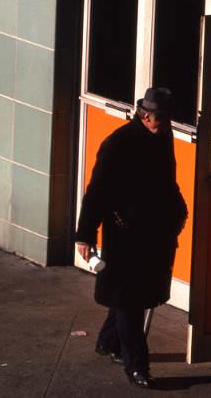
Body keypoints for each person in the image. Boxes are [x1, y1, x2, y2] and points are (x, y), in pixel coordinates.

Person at [75, 87, 188, 388]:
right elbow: (96, 192)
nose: (165, 124)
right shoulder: (118, 144)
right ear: (145, 114)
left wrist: (178, 211)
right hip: (125, 232)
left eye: (167, 118)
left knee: (130, 295)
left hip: (153, 230)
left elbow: (168, 179)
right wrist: (85, 235)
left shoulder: (162, 136)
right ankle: (137, 365)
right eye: (161, 118)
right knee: (131, 299)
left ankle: (109, 341)